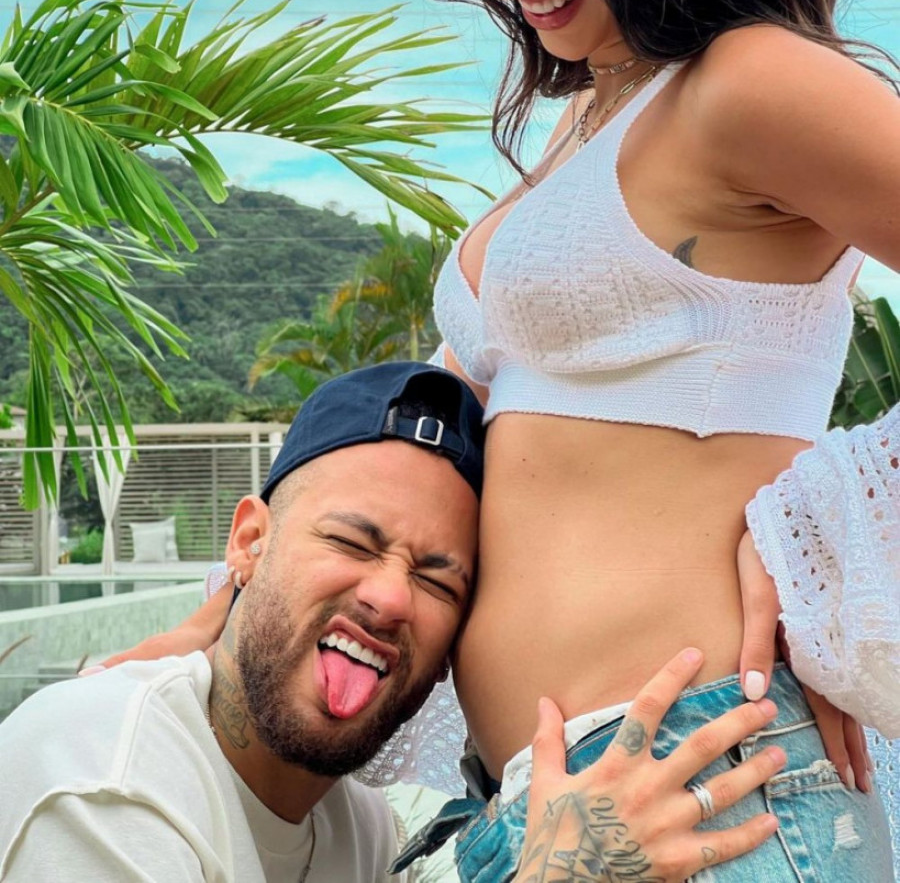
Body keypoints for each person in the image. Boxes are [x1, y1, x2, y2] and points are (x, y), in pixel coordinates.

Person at [96, 0, 900, 878]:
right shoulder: (595, 116)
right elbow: (437, 433)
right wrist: (224, 620)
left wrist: (826, 534)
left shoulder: (753, 83)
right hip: (549, 815)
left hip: (706, 783)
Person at [0, 364, 786, 883]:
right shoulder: (102, 774)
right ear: (249, 542)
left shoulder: (359, 833)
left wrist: (786, 537)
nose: (390, 598)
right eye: (351, 541)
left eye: (438, 580)